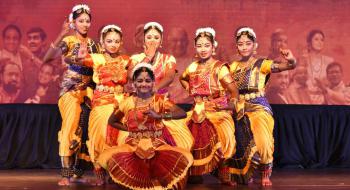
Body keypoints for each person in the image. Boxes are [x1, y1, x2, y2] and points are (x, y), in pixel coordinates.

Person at [99, 63, 193, 189]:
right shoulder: (127, 102)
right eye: (140, 81)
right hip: (133, 144)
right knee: (106, 158)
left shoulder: (160, 100)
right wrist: (129, 129)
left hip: (157, 144)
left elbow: (181, 113)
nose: (144, 84)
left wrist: (160, 116)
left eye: (148, 80)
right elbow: (112, 121)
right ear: (134, 83)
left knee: (185, 157)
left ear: (153, 82)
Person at [228, 27, 296, 186]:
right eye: (240, 44)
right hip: (239, 107)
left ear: (255, 46)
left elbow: (288, 66)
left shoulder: (262, 64)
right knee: (236, 139)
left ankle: (265, 173)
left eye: (248, 43)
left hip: (259, 107)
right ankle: (243, 172)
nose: (244, 47)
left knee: (263, 139)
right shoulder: (232, 67)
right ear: (236, 46)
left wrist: (291, 60)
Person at [64, 24, 130, 185]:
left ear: (121, 42)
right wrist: (74, 54)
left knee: (122, 138)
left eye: (116, 41)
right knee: (100, 137)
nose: (113, 44)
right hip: (101, 102)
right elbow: (68, 58)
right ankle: (100, 171)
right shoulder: (97, 58)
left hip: (120, 103)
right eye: (109, 41)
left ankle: (117, 171)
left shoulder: (127, 60)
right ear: (102, 43)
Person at [43, 4, 99, 186]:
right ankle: (65, 174)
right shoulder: (68, 41)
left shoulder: (93, 44)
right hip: (71, 90)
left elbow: (100, 66)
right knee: (70, 127)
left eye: (87, 21)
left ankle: (78, 172)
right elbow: (47, 58)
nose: (85, 24)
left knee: (84, 131)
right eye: (81, 21)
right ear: (73, 22)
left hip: (90, 90)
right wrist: (61, 33)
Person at [179, 27, 239, 185]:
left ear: (214, 47)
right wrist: (191, 90)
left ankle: (223, 170)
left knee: (223, 133)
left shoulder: (220, 67)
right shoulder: (193, 67)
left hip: (217, 110)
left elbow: (234, 92)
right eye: (199, 46)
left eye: (206, 45)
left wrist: (230, 105)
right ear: (195, 48)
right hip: (197, 109)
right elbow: (183, 78)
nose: (203, 49)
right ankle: (195, 171)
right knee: (183, 131)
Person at [129, 22, 193, 151]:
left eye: (156, 38)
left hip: (160, 103)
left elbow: (169, 77)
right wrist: (148, 57)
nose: (152, 41)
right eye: (149, 37)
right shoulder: (136, 58)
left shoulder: (168, 59)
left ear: (162, 40)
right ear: (144, 39)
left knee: (178, 142)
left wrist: (155, 89)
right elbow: (131, 75)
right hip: (138, 103)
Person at [304, 29, 334, 104]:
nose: (320, 42)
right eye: (316, 39)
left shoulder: (329, 61)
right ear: (310, 42)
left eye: (322, 40)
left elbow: (332, 83)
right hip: (305, 100)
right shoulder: (303, 60)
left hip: (324, 100)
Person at [166, 27, 193, 104]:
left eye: (182, 40)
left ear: (187, 42)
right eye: (175, 40)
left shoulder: (194, 64)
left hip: (188, 108)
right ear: (168, 41)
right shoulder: (160, 62)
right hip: (165, 107)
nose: (179, 44)